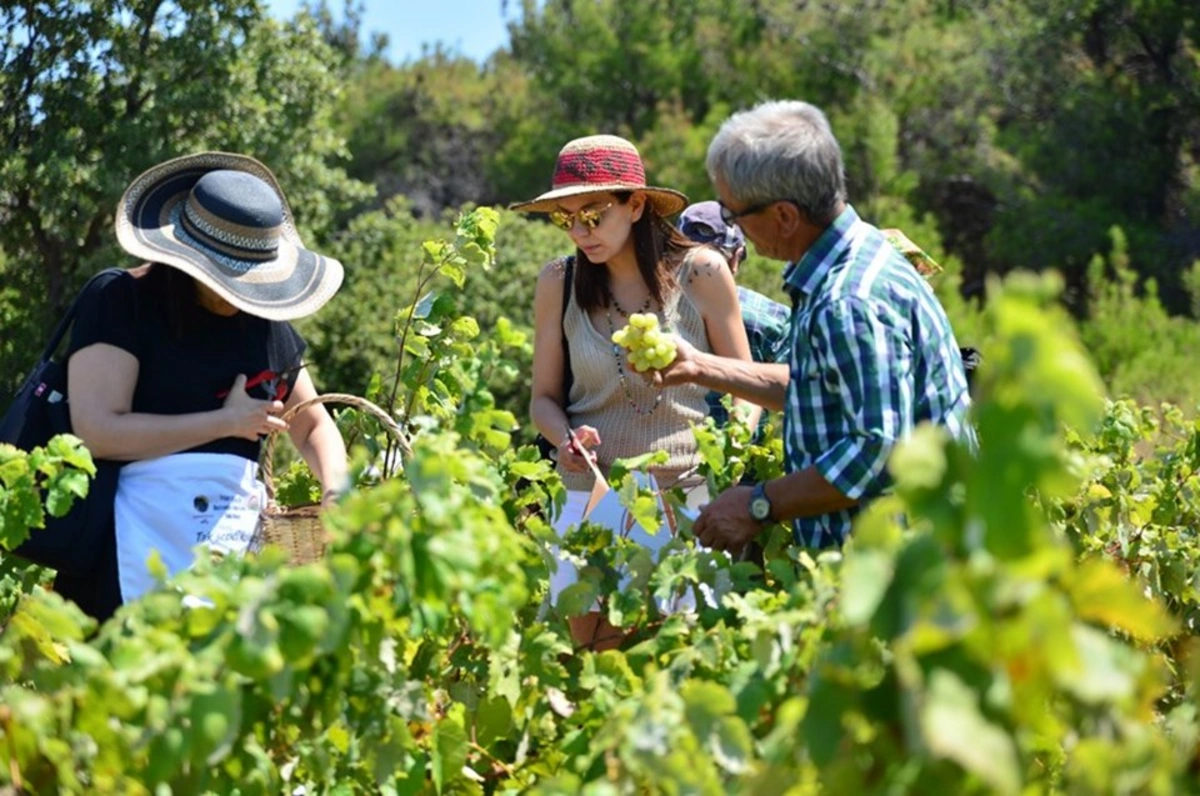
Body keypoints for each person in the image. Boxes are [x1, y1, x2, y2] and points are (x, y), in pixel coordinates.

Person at [651, 100, 975, 554]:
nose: (731, 225)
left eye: (733, 213)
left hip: (901, 568)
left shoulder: (849, 300)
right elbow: (821, 389)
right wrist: (700, 366)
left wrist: (758, 504)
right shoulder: (859, 257)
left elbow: (877, 449)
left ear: (783, 215)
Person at [58, 152, 349, 621]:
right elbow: (97, 429)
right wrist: (223, 423)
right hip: (126, 551)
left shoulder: (266, 326)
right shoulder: (120, 302)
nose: (237, 293)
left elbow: (313, 424)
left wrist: (338, 488)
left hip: (231, 555)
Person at [513, 134, 757, 648]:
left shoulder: (702, 272)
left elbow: (747, 388)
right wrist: (564, 440)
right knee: (588, 658)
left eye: (594, 214)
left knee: (671, 658)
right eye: (566, 218)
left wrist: (724, 468)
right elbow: (543, 400)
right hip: (589, 492)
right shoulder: (559, 281)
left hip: (686, 491)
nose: (579, 231)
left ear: (637, 203)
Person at [677, 201, 790, 436]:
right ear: (737, 257)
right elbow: (801, 388)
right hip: (747, 463)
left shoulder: (653, 309)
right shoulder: (768, 317)